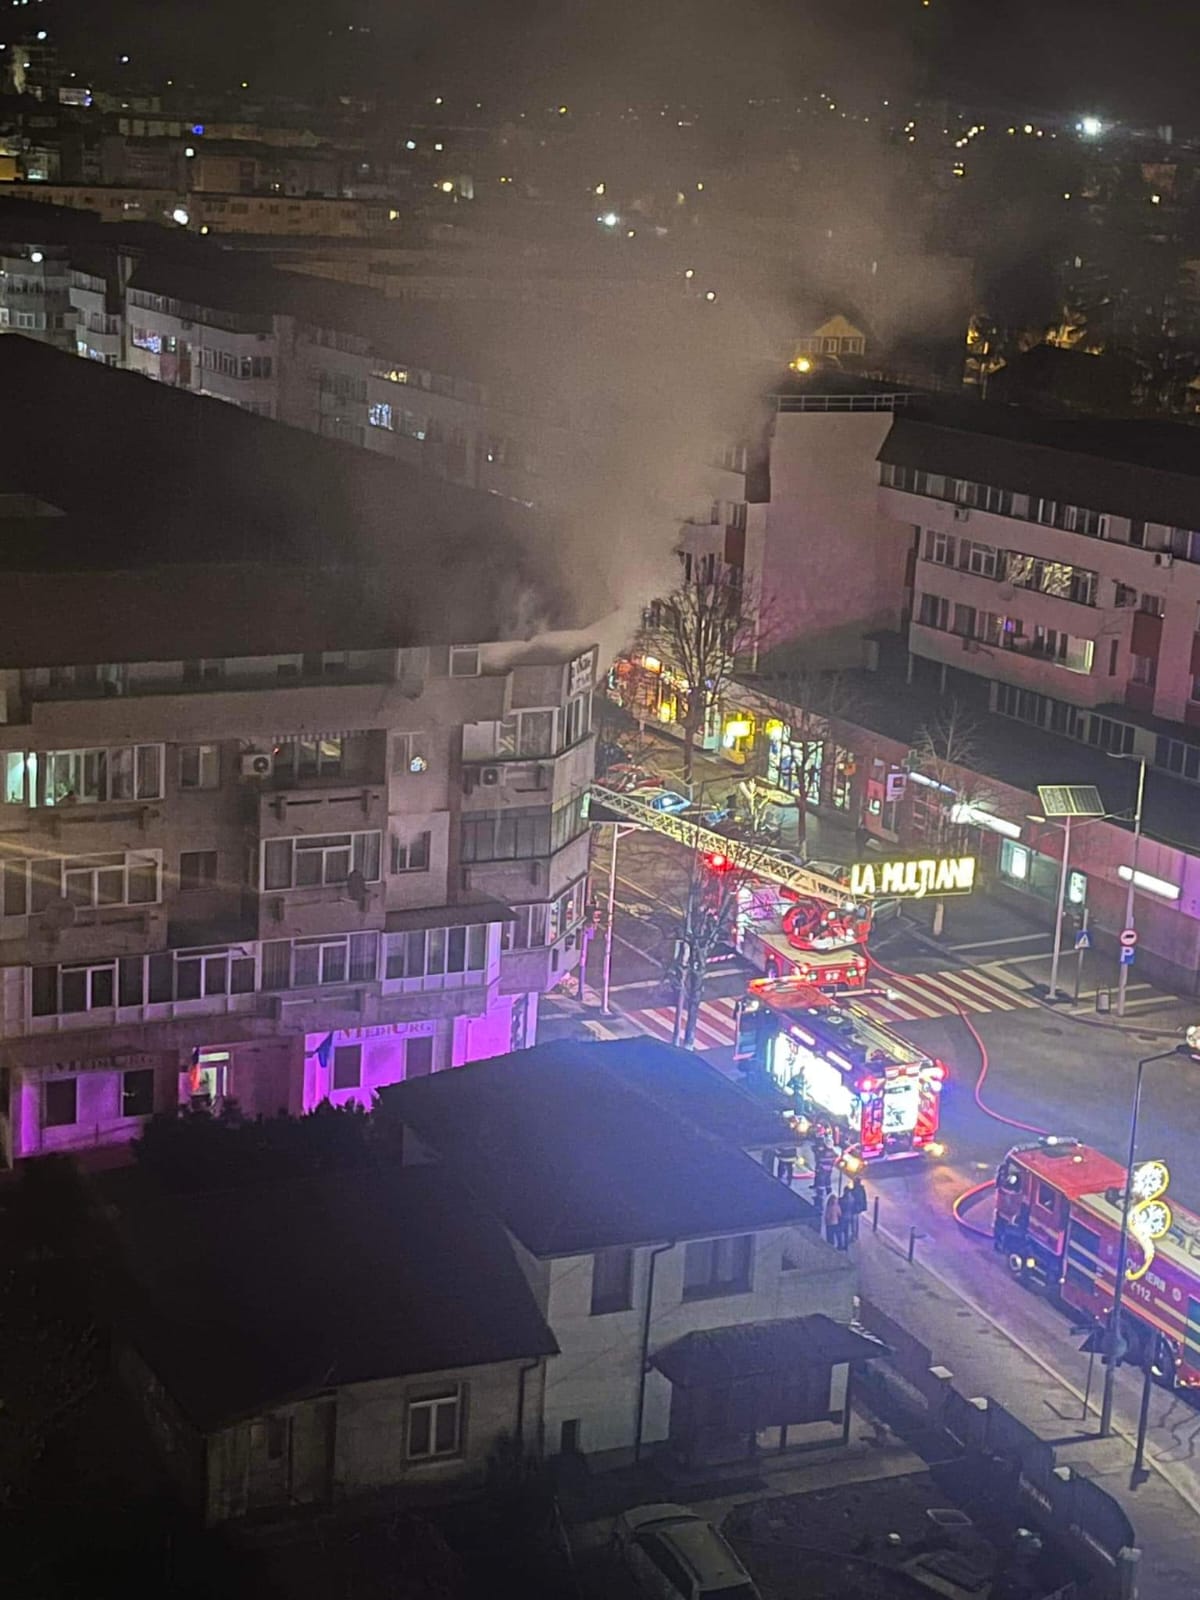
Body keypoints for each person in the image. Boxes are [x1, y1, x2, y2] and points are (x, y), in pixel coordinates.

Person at [844, 1175, 868, 1241]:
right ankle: (855, 1235)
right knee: (855, 1222)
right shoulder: (860, 1189)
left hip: (855, 1208)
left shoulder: (857, 1190)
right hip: (857, 1208)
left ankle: (854, 1236)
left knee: (853, 1222)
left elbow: (858, 1199)